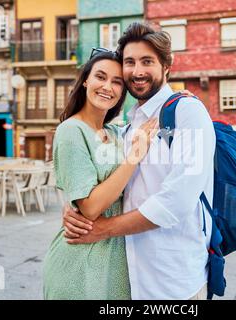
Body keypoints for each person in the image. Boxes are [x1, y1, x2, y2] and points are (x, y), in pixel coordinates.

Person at [62, 22, 216, 300]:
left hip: (172, 283)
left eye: (147, 61)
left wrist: (102, 230)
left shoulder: (188, 113)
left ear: (166, 67)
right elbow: (105, 179)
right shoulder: (129, 125)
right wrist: (74, 207)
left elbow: (177, 202)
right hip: (127, 278)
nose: (137, 71)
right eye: (130, 62)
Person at [42, 50, 158, 300]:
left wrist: (182, 98)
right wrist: (134, 157)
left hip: (115, 259)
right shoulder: (71, 131)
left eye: (117, 82)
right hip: (80, 264)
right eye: (101, 77)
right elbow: (91, 207)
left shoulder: (116, 133)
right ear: (86, 80)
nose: (108, 87)